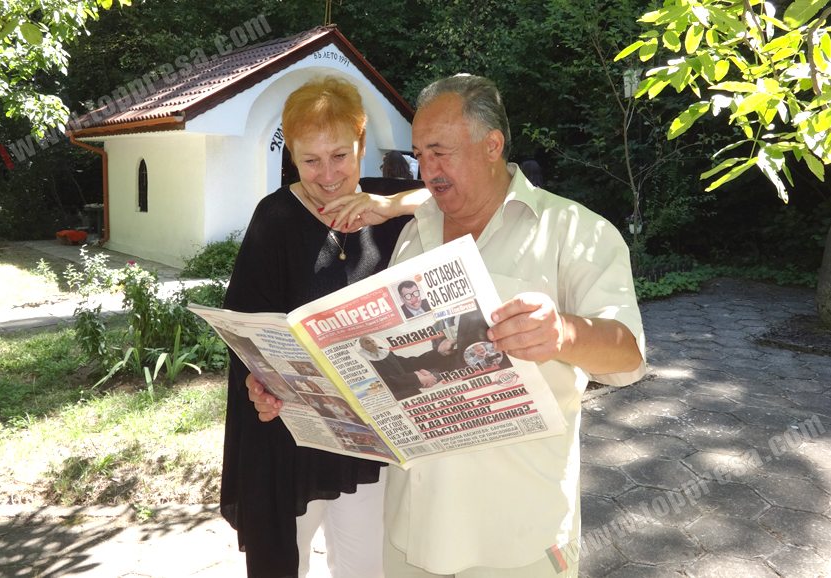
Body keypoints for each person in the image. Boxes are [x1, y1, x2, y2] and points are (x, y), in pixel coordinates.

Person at [382, 74, 646, 577]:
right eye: (419, 154)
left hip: (517, 536)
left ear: (492, 145)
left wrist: (562, 332)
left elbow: (628, 356)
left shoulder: (576, 230)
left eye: (439, 152)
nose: (427, 171)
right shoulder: (413, 234)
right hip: (410, 528)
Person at [221, 75, 427, 578]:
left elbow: (467, 195)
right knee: (283, 562)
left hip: (368, 437)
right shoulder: (274, 218)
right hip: (290, 434)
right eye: (311, 160)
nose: (329, 175)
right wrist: (256, 383)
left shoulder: (390, 204)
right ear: (291, 156)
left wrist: (392, 206)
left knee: (367, 567)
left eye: (340, 155)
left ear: (362, 144)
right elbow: (245, 327)